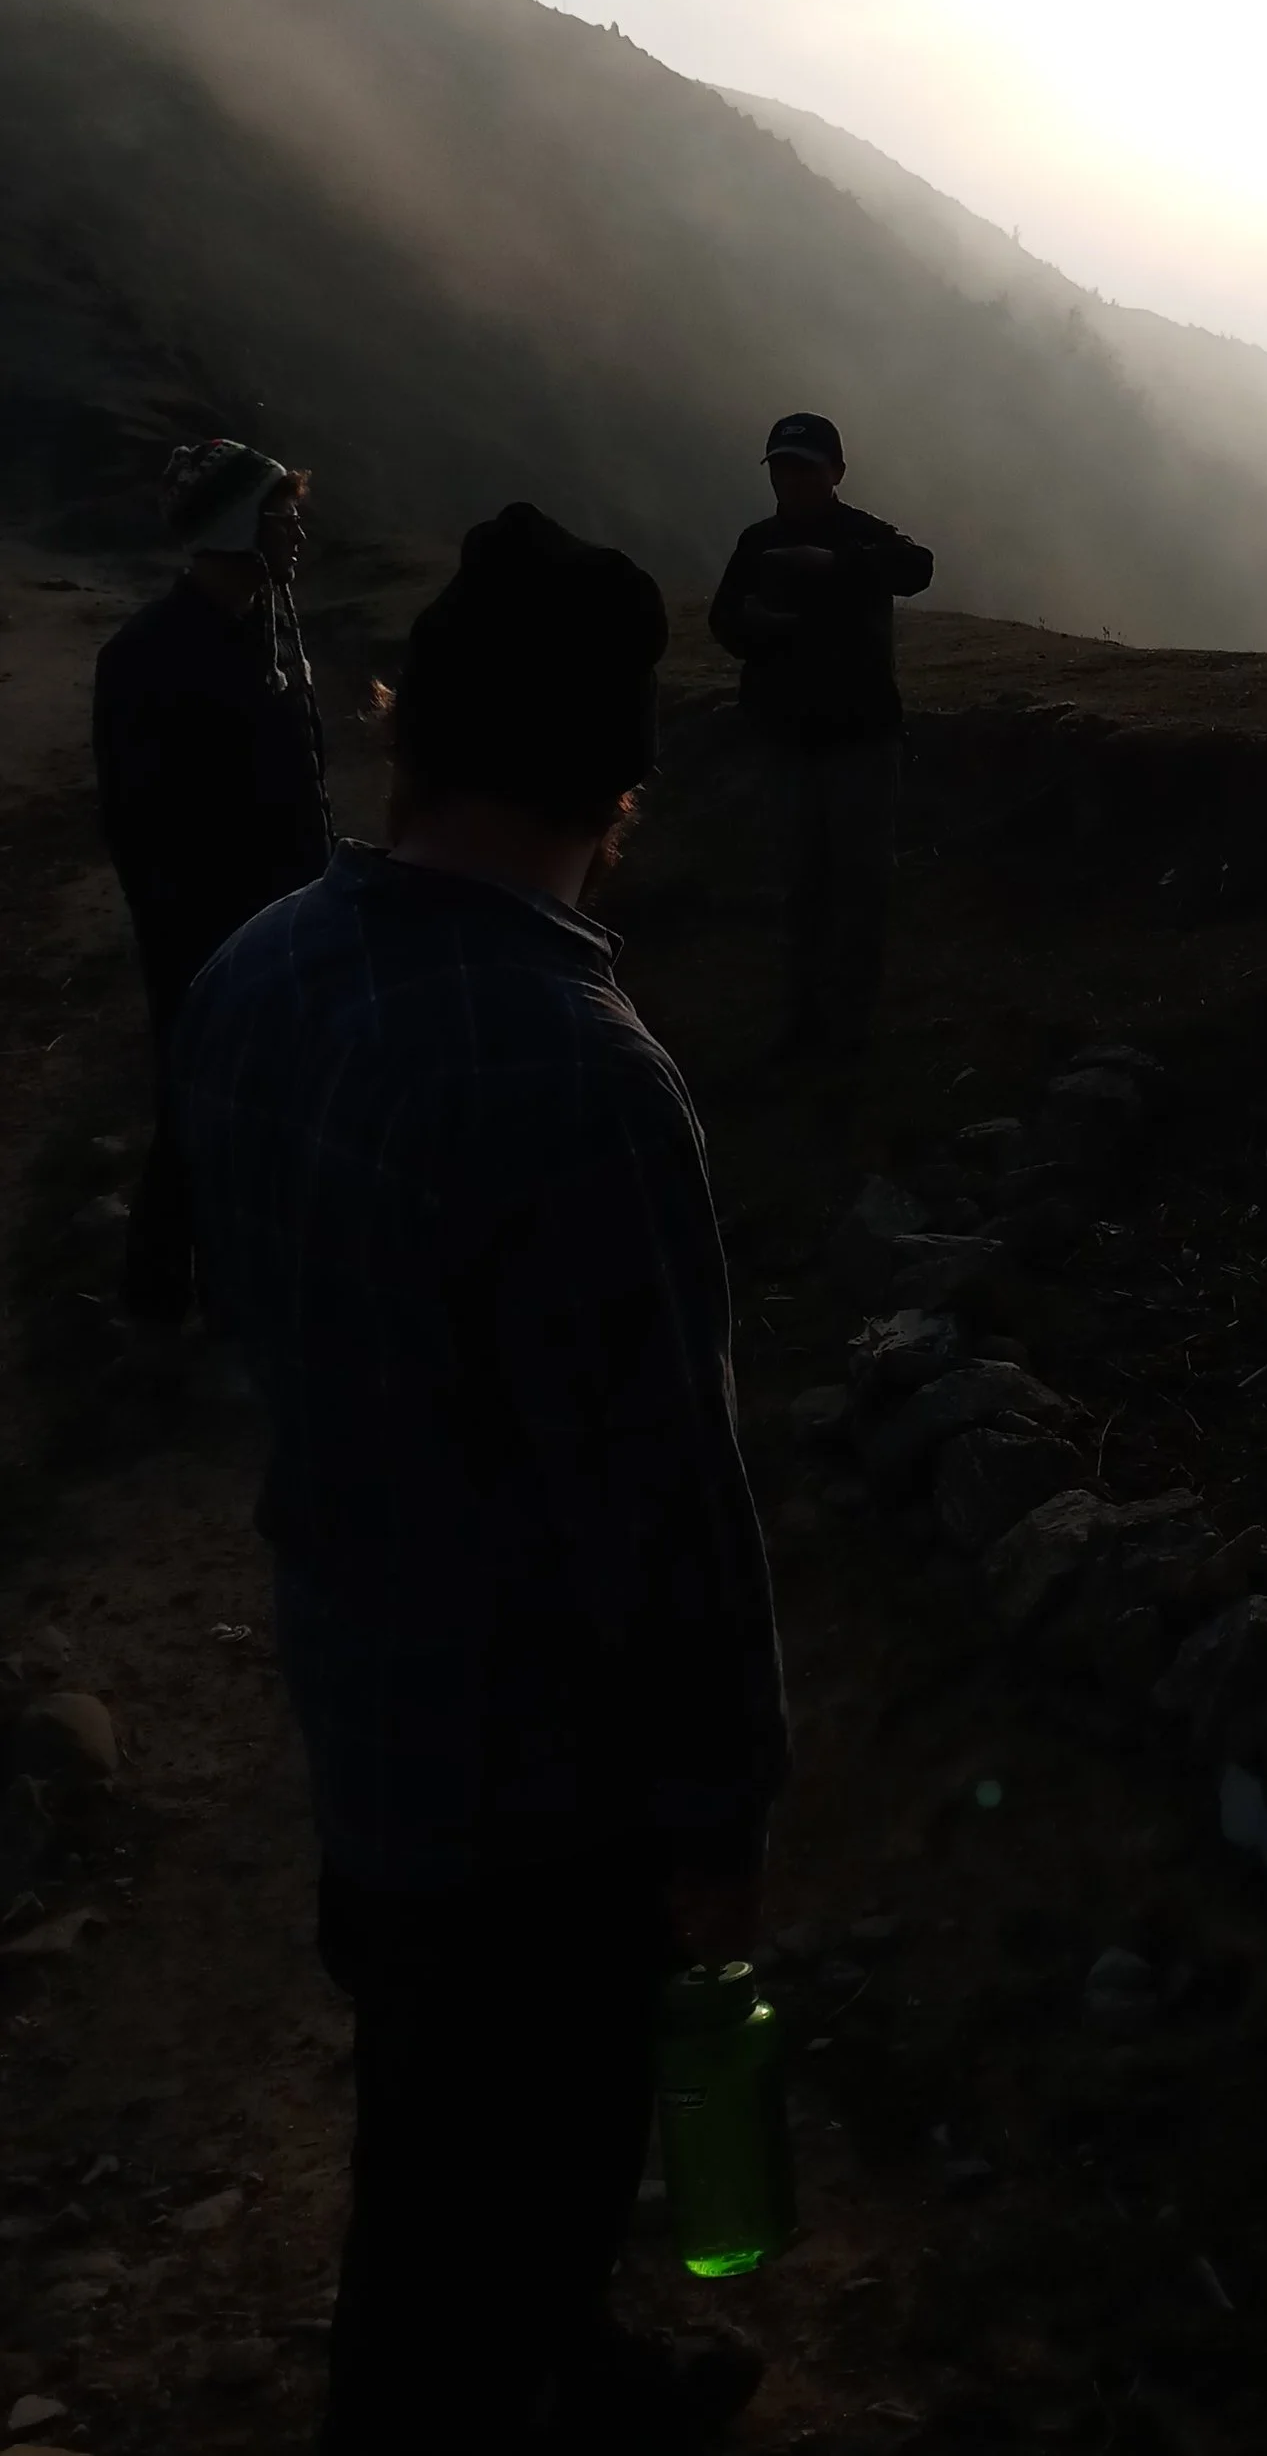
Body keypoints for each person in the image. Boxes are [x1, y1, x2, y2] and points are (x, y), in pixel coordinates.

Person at [172, 503, 787, 2456]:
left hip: (362, 1706)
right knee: (461, 2230)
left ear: (409, 724)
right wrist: (715, 1809)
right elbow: (661, 1506)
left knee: (450, 2130)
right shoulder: (580, 1071)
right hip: (540, 1796)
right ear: (621, 775)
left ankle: (575, 2357)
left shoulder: (257, 972)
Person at [92, 437, 332, 1331]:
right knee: (199, 1104)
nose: (298, 527)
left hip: (291, 918)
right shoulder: (147, 658)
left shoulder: (266, 629)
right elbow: (142, 825)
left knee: (263, 1108)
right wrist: (204, 936)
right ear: (237, 523)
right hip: (209, 934)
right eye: (281, 512)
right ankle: (161, 1302)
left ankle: (231, 1294)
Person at [707, 412, 933, 1059]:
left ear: (836, 472)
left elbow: (916, 567)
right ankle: (801, 1026)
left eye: (804, 466)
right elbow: (725, 620)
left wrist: (835, 565)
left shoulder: (862, 536)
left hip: (860, 740)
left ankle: (847, 1034)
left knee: (858, 887)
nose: (792, 478)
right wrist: (756, 629)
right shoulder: (757, 542)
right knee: (800, 887)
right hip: (786, 740)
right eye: (782, 466)